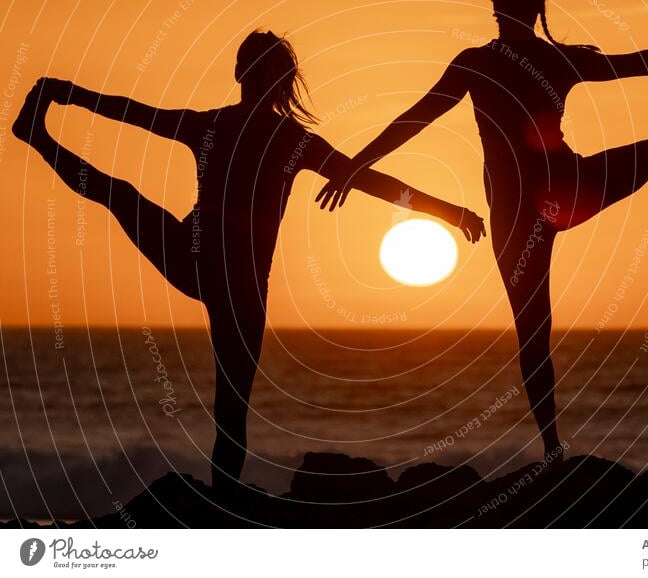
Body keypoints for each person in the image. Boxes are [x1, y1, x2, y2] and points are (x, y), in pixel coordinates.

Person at [315, 0, 648, 463]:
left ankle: (553, 449)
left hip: (525, 206)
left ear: (519, 6)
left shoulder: (496, 62)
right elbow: (642, 63)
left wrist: (354, 166)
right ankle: (552, 448)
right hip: (562, 190)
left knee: (533, 325)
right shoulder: (527, 61)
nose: (500, 8)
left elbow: (638, 63)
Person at [13, 29, 486, 492]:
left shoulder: (230, 129)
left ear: (243, 73)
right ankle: (222, 507)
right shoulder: (274, 138)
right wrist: (450, 212)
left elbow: (138, 115)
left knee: (119, 195)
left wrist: (70, 95)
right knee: (231, 410)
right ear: (274, 80)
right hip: (233, 281)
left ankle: (37, 137)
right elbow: (139, 115)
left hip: (198, 261)